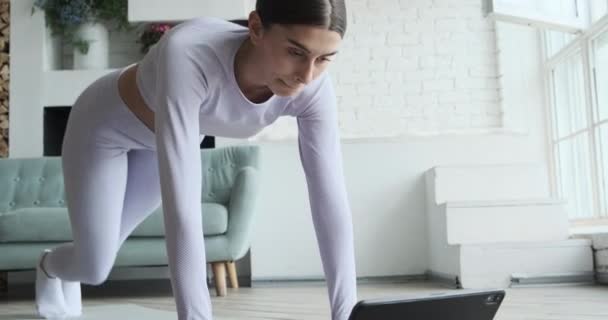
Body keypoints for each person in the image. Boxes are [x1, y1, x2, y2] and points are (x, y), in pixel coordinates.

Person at [35, 1, 357, 319]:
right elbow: (183, 211)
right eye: (296, 53)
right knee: (94, 267)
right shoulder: (188, 52)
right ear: (256, 28)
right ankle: (49, 266)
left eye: (324, 58)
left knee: (100, 261)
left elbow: (330, 200)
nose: (307, 75)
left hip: (155, 146)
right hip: (102, 130)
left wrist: (348, 316)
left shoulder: (314, 88)